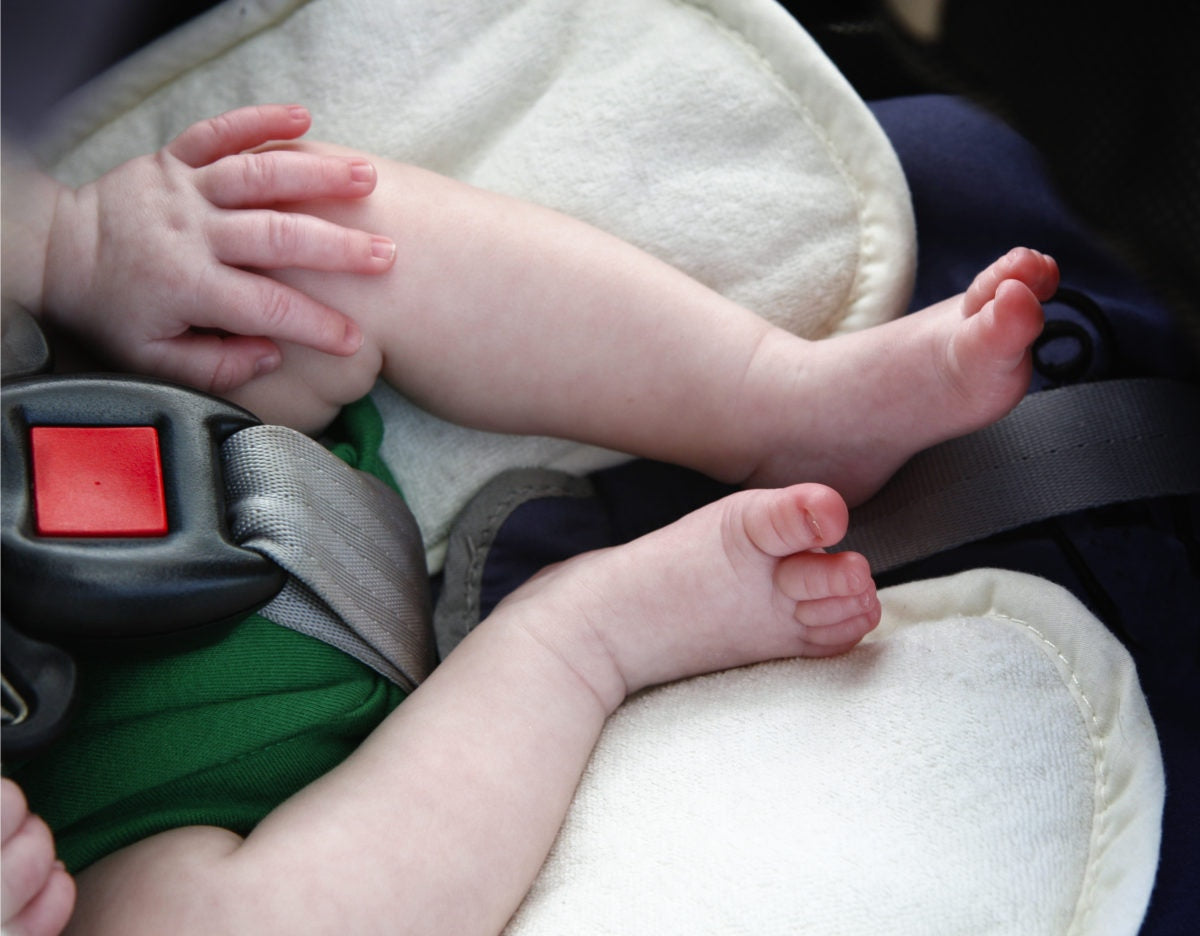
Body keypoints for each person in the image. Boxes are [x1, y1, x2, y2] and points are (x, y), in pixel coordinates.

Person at [1, 105, 1059, 935]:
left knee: (300, 232)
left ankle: (775, 401)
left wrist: (67, 244)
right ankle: (579, 640)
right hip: (130, 824)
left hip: (151, 424)